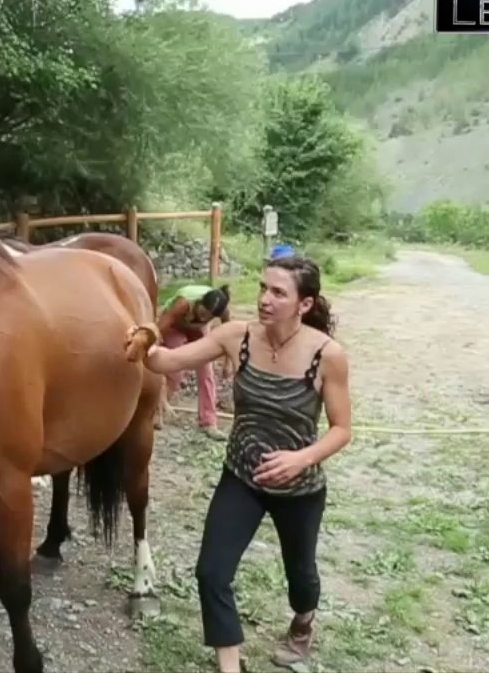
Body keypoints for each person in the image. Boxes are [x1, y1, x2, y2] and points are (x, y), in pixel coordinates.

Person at [127, 256, 352, 673]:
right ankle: (230, 666)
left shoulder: (327, 356)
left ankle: (303, 623)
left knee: (301, 578)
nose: (264, 299)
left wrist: (301, 458)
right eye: (264, 288)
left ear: (305, 304)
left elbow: (341, 429)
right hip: (241, 477)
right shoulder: (236, 336)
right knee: (211, 572)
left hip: (299, 488)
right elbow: (165, 362)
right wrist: (144, 342)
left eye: (278, 292)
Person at [154, 282, 231, 436]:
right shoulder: (183, 303)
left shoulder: (222, 312)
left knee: (206, 372)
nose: (202, 317)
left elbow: (229, 337)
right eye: (201, 313)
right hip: (173, 327)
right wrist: (154, 352)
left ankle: (208, 422)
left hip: (198, 331)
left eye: (208, 317)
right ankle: (157, 410)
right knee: (173, 369)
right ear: (199, 303)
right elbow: (158, 330)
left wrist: (228, 364)